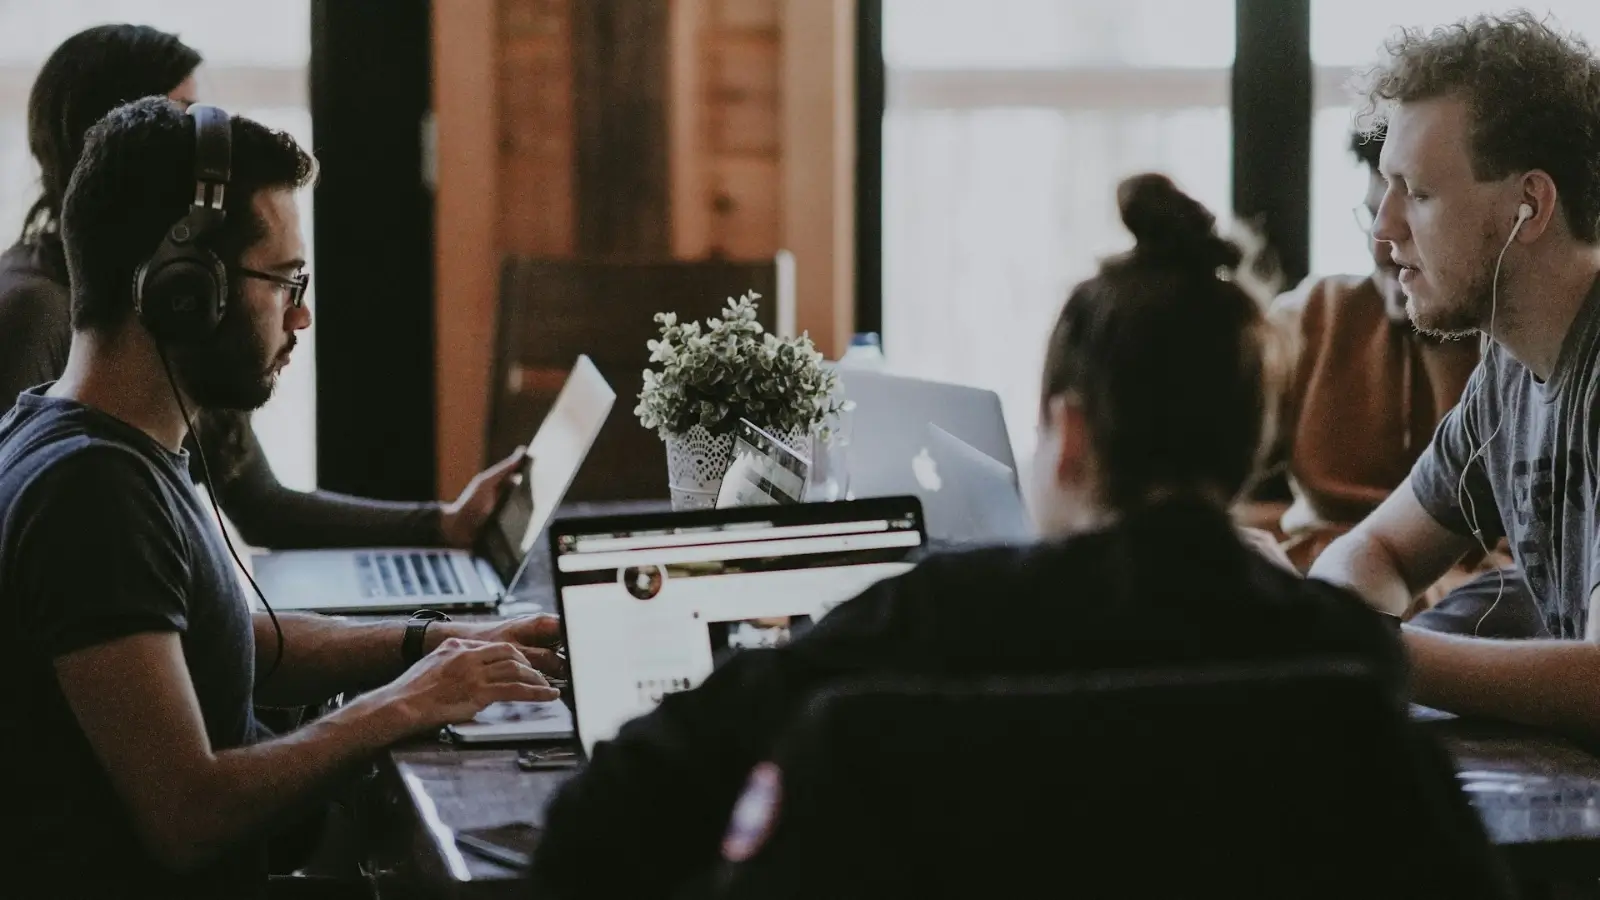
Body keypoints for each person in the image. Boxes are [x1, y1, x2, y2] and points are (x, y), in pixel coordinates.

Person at [526, 173, 1405, 898]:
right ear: (1250, 444)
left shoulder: (918, 624)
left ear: (1068, 438)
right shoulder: (1344, 661)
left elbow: (595, 822)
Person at [0, 97, 562, 898]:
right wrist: (399, 707)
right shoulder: (91, 493)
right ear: (183, 289)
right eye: (286, 280)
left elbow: (230, 641)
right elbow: (188, 815)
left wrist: (434, 643)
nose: (300, 314)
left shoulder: (81, 439)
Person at [0, 23, 520, 553]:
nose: (211, 154)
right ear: (111, 139)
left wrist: (443, 525)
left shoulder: (197, 299)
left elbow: (263, 506)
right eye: (180, 120)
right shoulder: (36, 309)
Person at [1309, 12, 1600, 732]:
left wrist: (1372, 651)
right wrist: (1342, 624)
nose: (1384, 230)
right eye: (1387, 189)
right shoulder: (1508, 369)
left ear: (1528, 206)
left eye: (1420, 194)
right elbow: (1374, 548)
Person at [1255, 126, 1543, 639]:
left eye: (1418, 211)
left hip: (1459, 615)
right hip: (1344, 587)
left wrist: (1356, 632)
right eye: (1372, 215)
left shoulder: (1518, 359)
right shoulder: (1315, 316)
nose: (1382, 246)